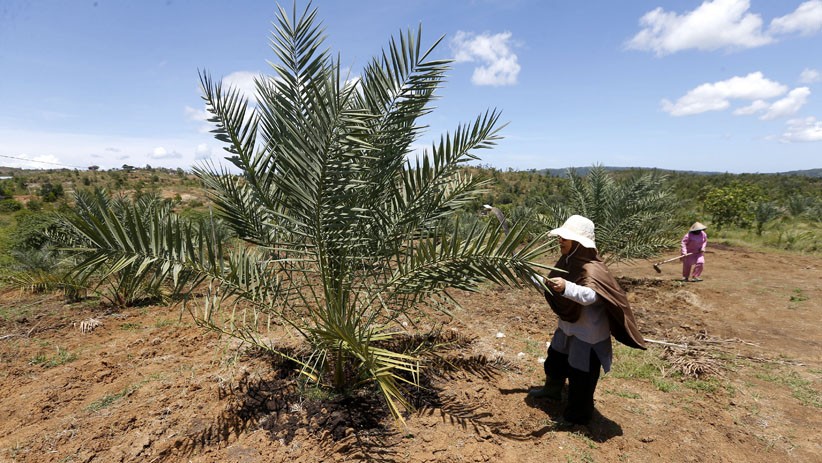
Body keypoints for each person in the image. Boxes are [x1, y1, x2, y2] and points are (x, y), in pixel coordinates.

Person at [528, 215, 646, 426]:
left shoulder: (593, 268)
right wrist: (528, 275)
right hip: (567, 326)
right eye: (561, 236)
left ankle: (578, 416)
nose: (561, 240)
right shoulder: (567, 261)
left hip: (588, 334)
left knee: (581, 375)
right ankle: (552, 390)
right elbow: (551, 284)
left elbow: (591, 296)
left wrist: (567, 287)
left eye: (566, 237)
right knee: (555, 358)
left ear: (579, 243)